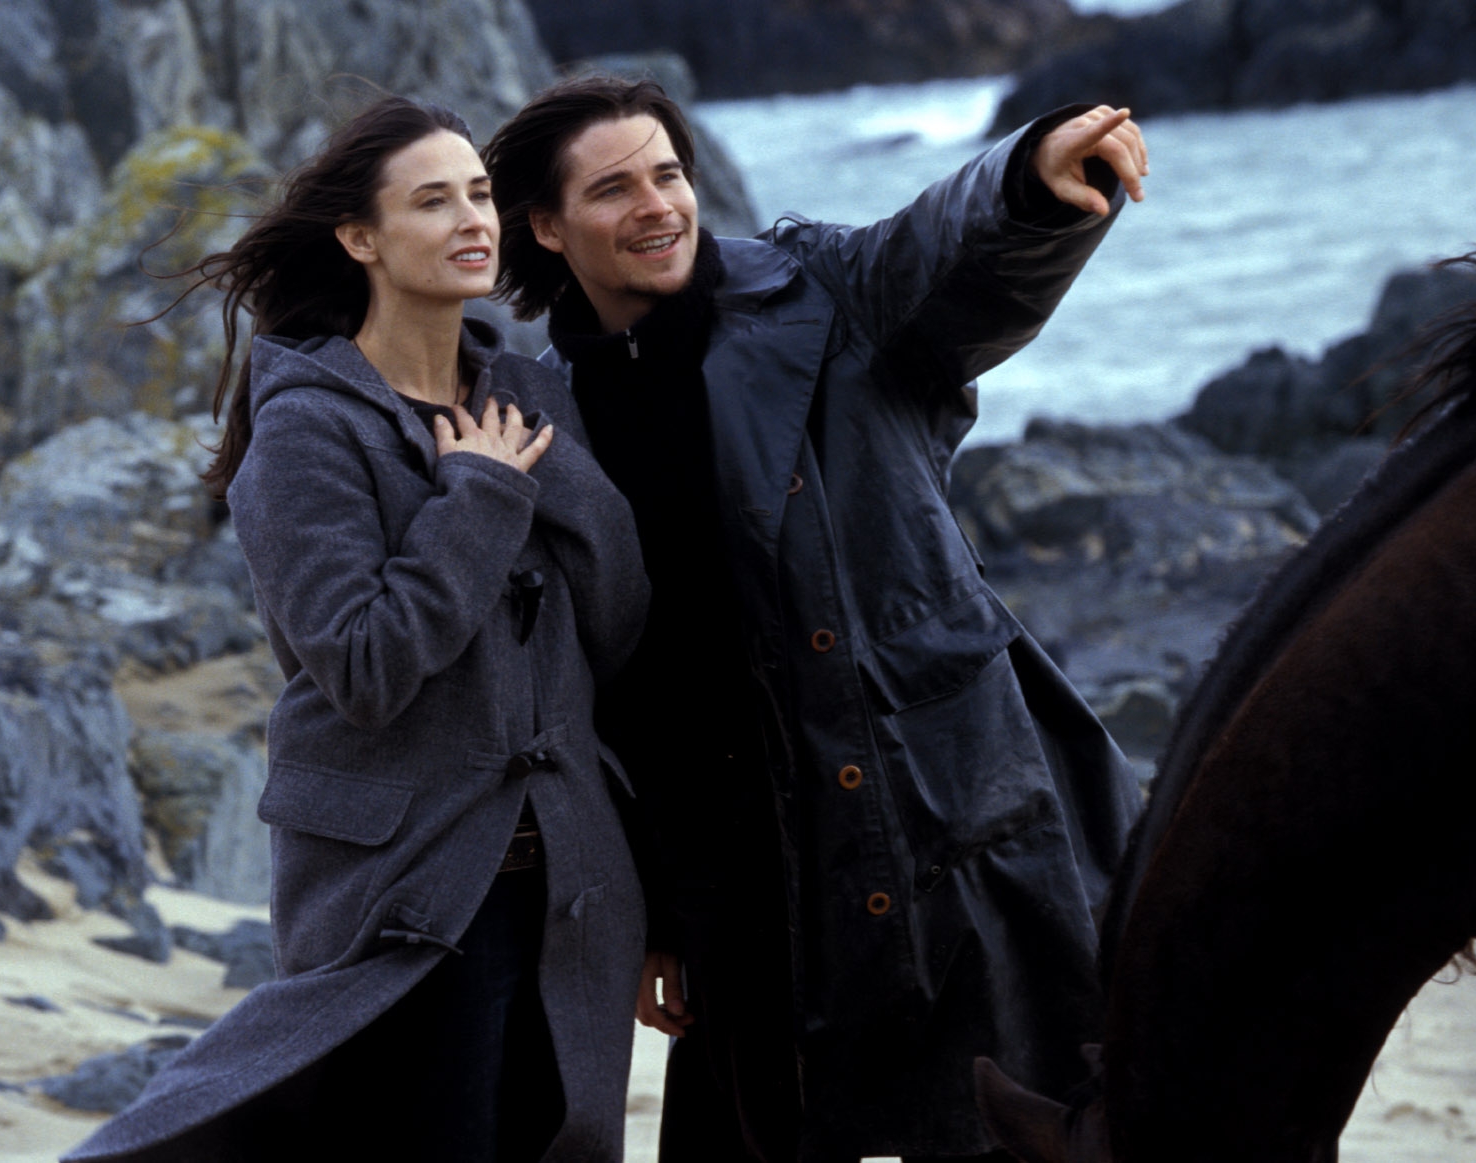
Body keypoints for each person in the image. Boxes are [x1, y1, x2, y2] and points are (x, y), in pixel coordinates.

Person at [481, 78, 1149, 1163]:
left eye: (668, 174)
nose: (657, 205)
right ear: (547, 227)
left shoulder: (820, 293)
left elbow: (941, 254)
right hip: (743, 887)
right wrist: (654, 914)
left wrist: (1027, 180)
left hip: (937, 816)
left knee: (1005, 1127)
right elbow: (614, 699)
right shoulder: (549, 420)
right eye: (612, 189)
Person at [63, 97, 649, 1163]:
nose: (472, 220)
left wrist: (555, 480)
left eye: (480, 194)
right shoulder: (305, 428)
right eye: (433, 201)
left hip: (572, 880)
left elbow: (617, 628)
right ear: (360, 237)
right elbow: (363, 664)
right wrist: (478, 499)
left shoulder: (529, 395)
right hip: (407, 886)